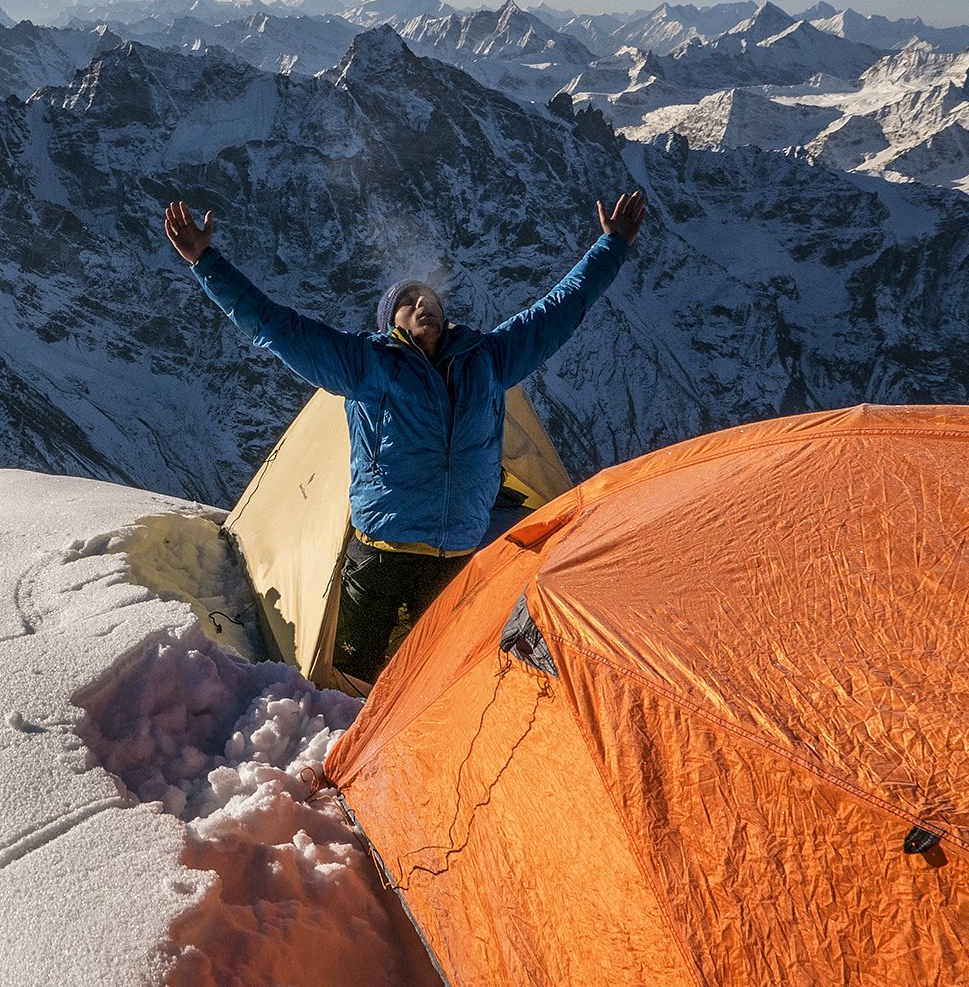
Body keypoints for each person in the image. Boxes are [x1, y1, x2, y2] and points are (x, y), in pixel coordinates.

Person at [164, 191, 645, 681]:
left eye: (429, 300)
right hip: (380, 557)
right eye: (408, 303)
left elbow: (562, 308)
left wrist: (611, 246)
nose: (423, 305)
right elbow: (277, 326)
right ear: (390, 322)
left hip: (457, 556)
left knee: (439, 684)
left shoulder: (489, 359)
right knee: (354, 681)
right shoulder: (369, 364)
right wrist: (206, 261)